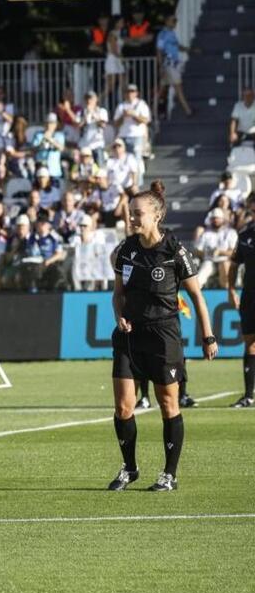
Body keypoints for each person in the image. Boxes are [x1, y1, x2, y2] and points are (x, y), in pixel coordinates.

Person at [108, 181, 217, 492]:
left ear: (156, 216)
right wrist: (120, 316)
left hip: (163, 337)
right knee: (123, 408)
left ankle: (169, 474)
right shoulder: (125, 251)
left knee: (168, 404)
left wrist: (207, 336)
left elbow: (197, 296)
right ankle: (130, 469)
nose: (131, 219)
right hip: (129, 336)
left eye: (137, 213)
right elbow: (118, 295)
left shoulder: (175, 251)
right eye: (130, 213)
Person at [227, 196, 255, 408]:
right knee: (250, 343)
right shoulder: (245, 236)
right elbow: (234, 264)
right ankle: (248, 395)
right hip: (250, 295)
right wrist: (231, 289)